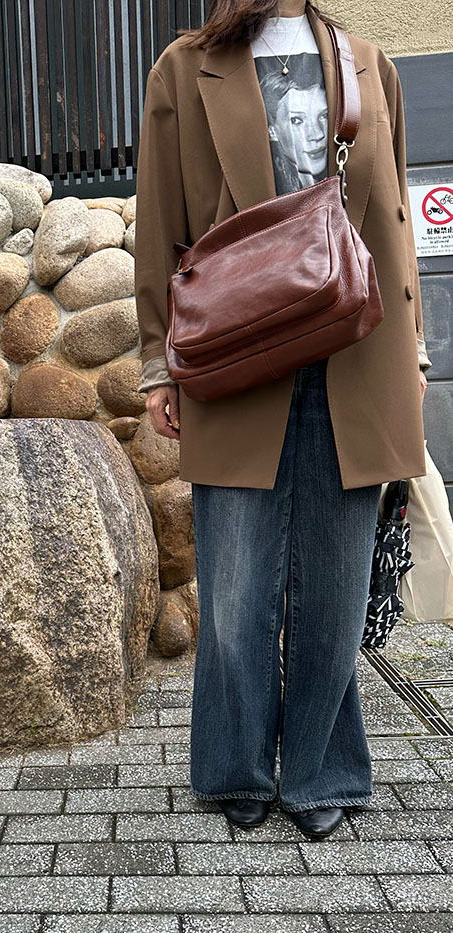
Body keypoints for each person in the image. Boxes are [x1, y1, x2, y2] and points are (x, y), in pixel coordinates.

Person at [134, 0, 432, 840]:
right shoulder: (183, 69)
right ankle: (235, 763)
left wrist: (412, 352)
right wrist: (158, 360)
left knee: (335, 585)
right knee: (235, 587)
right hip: (237, 344)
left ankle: (319, 769)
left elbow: (393, 221)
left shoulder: (369, 63)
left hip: (358, 349)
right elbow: (160, 221)